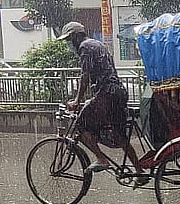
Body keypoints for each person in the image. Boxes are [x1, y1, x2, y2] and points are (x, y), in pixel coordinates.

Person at [56, 21, 140, 175]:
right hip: (118, 92)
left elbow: (85, 76)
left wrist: (77, 101)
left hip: (106, 94)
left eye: (69, 40)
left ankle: (101, 158)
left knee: (80, 127)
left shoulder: (85, 47)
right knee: (119, 135)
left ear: (75, 36)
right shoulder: (97, 44)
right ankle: (139, 171)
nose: (69, 44)